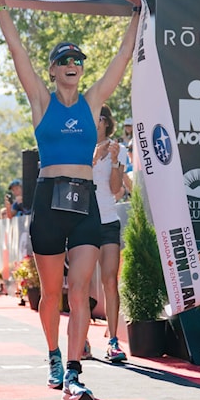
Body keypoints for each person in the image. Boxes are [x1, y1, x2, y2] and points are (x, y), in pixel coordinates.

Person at [0, 0, 140, 400]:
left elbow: (122, 58)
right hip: (48, 201)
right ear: (55, 69)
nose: (74, 66)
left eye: (79, 61)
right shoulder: (42, 101)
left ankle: (74, 373)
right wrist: (2, 7)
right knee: (50, 294)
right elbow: (17, 49)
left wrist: (135, 14)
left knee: (80, 292)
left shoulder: (94, 101)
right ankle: (54, 355)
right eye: (66, 61)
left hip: (85, 203)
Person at [91, 105, 127, 363]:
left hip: (108, 221)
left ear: (106, 122)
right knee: (80, 285)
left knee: (110, 281)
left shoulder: (119, 149)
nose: (94, 121)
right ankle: (80, 340)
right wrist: (95, 154)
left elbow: (116, 190)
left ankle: (113, 340)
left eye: (98, 117)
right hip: (82, 221)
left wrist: (114, 162)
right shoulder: (79, 146)